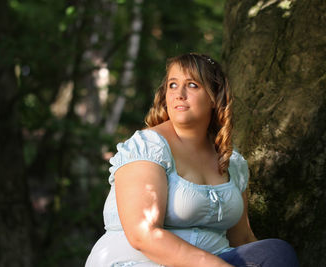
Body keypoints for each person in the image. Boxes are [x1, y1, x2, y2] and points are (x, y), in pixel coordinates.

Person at [85, 53, 299, 267]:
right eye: (173, 85)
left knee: (274, 253)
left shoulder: (232, 162)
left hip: (217, 258)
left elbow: (241, 239)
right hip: (140, 262)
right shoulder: (147, 147)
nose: (180, 94)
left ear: (214, 97)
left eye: (193, 85)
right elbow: (143, 235)